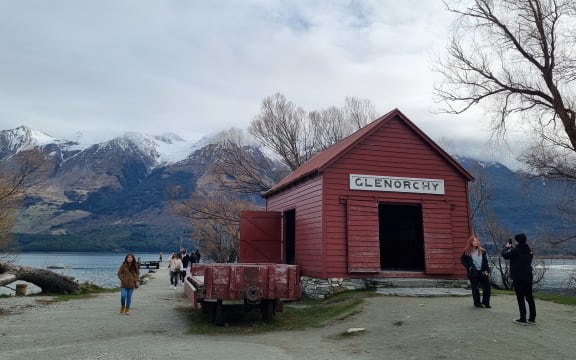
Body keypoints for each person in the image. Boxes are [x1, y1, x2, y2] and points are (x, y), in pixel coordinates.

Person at [502, 233, 536, 325]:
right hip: (528, 276)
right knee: (529, 297)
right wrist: (513, 249)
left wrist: (507, 248)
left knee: (520, 297)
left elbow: (505, 255)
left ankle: (523, 318)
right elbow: (519, 255)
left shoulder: (516, 250)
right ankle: (532, 318)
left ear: (517, 241)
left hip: (518, 277)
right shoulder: (529, 251)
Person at [461, 235, 491, 308]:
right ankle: (477, 303)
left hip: (483, 272)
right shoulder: (466, 251)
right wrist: (469, 267)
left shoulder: (483, 251)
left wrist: (487, 270)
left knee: (487, 288)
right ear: (471, 242)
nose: (475, 242)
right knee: (475, 289)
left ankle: (485, 303)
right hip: (473, 272)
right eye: (474, 241)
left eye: (476, 241)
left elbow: (485, 261)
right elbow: (463, 260)